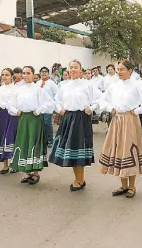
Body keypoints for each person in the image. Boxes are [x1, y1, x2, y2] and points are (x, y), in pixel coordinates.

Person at [97, 60, 142, 198]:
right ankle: (123, 185)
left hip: (130, 121)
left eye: (122, 69)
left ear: (130, 70)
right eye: (118, 69)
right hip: (117, 121)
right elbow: (102, 99)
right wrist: (110, 108)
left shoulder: (136, 85)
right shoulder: (114, 86)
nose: (119, 71)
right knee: (119, 151)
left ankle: (132, 186)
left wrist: (137, 110)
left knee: (130, 151)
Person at [49, 60, 101, 191]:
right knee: (70, 148)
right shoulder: (63, 85)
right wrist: (60, 109)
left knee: (79, 147)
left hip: (81, 117)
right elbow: (57, 100)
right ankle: (79, 179)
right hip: (68, 117)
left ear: (81, 69)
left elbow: (99, 99)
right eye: (71, 67)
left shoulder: (87, 85)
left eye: (76, 67)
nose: (73, 69)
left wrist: (92, 108)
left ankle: (80, 179)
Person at [8, 66, 55, 185]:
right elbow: (10, 104)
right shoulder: (18, 89)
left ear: (33, 74)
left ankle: (35, 173)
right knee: (24, 143)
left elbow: (50, 103)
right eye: (24, 73)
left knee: (33, 143)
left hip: (34, 120)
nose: (25, 75)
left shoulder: (38, 89)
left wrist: (39, 110)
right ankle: (27, 172)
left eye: (28, 73)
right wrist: (16, 111)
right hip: (23, 119)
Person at [0, 68, 18, 174]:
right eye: (2, 74)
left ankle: (15, 164)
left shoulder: (16, 89)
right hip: (2, 116)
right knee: (2, 136)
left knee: (12, 137)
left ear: (12, 76)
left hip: (13, 116)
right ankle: (5, 165)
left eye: (7, 75)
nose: (4, 76)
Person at [36, 67, 58, 148]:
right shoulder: (37, 83)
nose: (43, 73)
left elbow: (56, 95)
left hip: (48, 108)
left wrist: (55, 107)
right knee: (40, 124)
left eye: (45, 72)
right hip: (39, 108)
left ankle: (50, 140)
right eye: (42, 72)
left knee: (47, 124)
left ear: (48, 74)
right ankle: (42, 140)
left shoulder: (52, 83)